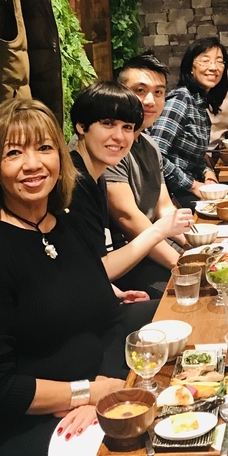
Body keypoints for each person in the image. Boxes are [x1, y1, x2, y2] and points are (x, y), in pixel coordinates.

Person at [0, 98, 228, 456]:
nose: (33, 164)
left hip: (90, 404)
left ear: (61, 155)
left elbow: (108, 318)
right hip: (13, 439)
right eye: (14, 153)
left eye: (43, 148)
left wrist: (109, 389)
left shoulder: (66, 226)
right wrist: (85, 393)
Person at [69, 80, 194, 299]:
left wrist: (116, 294)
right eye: (108, 123)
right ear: (81, 126)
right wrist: (159, 230)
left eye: (127, 127)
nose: (119, 136)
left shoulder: (94, 177)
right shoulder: (74, 182)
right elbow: (99, 269)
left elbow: (85, 263)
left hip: (91, 292)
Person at [105, 53, 190, 294]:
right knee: (191, 294)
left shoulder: (149, 145)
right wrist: (180, 264)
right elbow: (128, 219)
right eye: (140, 90)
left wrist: (196, 246)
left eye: (159, 92)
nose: (149, 100)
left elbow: (164, 207)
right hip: (128, 256)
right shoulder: (110, 146)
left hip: (154, 242)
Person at [150, 38, 226, 207]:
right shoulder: (180, 100)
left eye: (219, 61)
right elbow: (155, 155)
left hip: (188, 189)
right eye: (205, 60)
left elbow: (193, 158)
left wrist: (208, 174)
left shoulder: (199, 103)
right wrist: (193, 186)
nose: (213, 67)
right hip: (169, 196)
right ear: (191, 67)